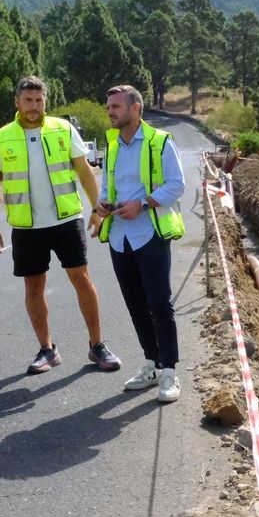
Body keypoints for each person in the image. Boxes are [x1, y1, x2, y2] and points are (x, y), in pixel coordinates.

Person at [0, 75, 123, 375]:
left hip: (66, 220)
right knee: (33, 286)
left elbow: (84, 171)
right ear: (17, 102)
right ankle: (47, 349)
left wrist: (97, 209)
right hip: (26, 227)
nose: (34, 106)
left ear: (45, 101)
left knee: (82, 280)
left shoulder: (63, 128)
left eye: (39, 100)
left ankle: (97, 345)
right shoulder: (1, 137)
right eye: (28, 100)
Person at [93, 85, 186, 403]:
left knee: (160, 304)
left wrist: (143, 204)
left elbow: (177, 184)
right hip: (119, 237)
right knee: (136, 305)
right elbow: (106, 183)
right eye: (109, 107)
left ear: (136, 109)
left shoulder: (160, 142)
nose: (110, 111)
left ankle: (170, 372)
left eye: (116, 106)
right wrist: (103, 203)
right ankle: (152, 364)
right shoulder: (111, 144)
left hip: (150, 234)